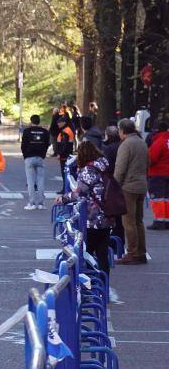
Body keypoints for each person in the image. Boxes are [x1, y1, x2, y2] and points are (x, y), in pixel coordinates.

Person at [55, 142, 113, 278]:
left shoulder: (88, 170)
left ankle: (89, 283)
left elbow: (80, 193)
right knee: (102, 254)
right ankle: (104, 285)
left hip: (93, 217)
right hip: (108, 213)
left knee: (86, 252)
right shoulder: (104, 166)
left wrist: (63, 198)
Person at [114, 118, 149, 264]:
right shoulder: (142, 142)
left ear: (122, 131)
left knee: (128, 222)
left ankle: (132, 253)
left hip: (128, 186)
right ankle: (141, 251)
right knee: (138, 221)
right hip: (141, 185)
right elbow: (148, 163)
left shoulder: (126, 144)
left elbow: (120, 168)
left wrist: (115, 185)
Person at [21, 114, 50, 210]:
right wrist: (43, 154)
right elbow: (47, 144)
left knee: (30, 181)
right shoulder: (45, 132)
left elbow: (23, 144)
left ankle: (32, 203)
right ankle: (41, 203)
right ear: (39, 121)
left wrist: (25, 156)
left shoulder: (27, 131)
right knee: (41, 180)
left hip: (29, 157)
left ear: (31, 121)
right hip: (40, 157)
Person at [147, 120, 169, 230]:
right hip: (167, 173)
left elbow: (151, 158)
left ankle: (159, 221)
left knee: (158, 198)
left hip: (158, 174)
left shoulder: (159, 141)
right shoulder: (167, 140)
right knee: (166, 198)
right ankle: (167, 220)